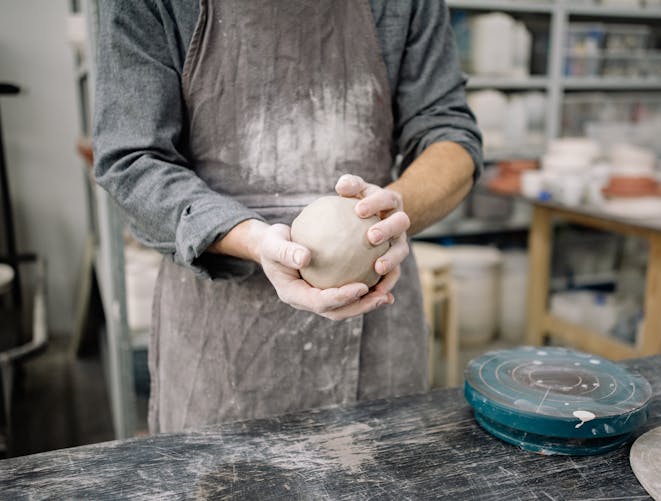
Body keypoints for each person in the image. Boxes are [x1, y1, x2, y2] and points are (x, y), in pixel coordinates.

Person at [94, 0, 482, 433]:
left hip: (375, 317)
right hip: (220, 343)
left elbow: (449, 135)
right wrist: (252, 239)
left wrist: (393, 208)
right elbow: (132, 158)